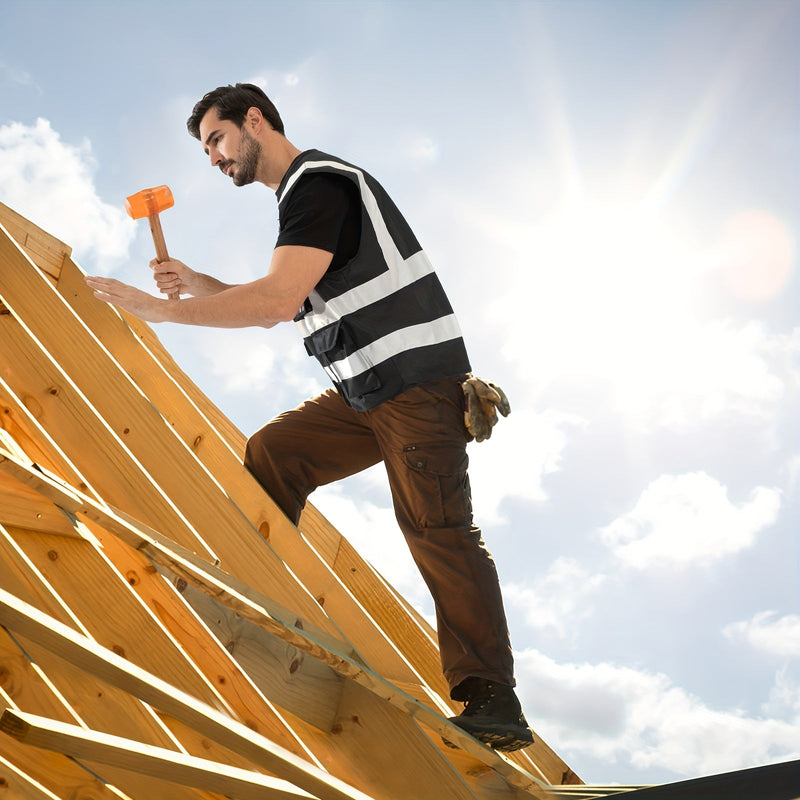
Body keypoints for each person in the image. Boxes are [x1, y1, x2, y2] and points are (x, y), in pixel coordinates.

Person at [86, 83, 533, 752]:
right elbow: (295, 300)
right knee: (275, 452)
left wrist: (154, 309)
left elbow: (275, 299)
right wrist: (196, 282)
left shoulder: (317, 186)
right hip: (367, 398)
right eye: (206, 145)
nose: (212, 156)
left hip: (415, 389)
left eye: (216, 137)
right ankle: (265, 593)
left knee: (436, 530)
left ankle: (493, 699)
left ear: (255, 120)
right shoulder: (304, 202)